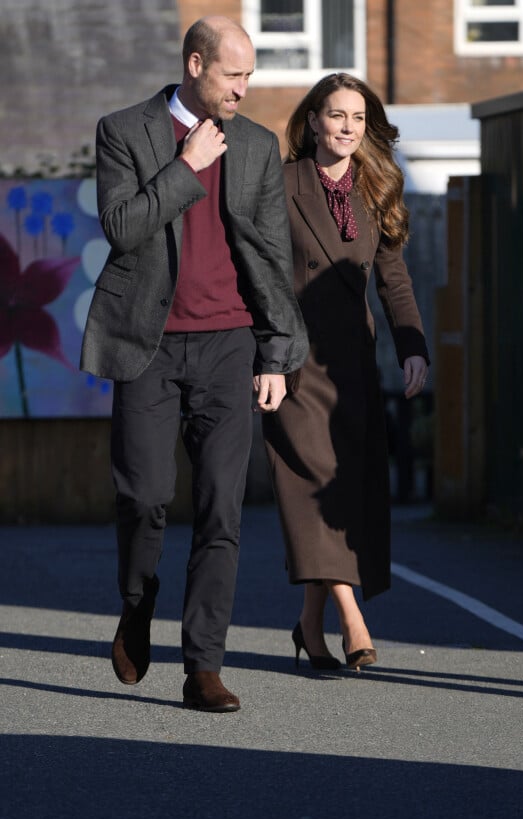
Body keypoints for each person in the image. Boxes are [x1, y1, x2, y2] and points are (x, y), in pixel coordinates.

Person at [80, 16, 308, 712]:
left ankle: (204, 665)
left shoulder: (259, 145)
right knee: (144, 498)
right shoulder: (125, 131)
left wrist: (275, 351)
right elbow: (121, 228)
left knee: (221, 510)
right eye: (233, 76)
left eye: (248, 78)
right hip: (148, 345)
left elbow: (271, 255)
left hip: (229, 344)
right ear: (196, 63)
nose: (243, 89)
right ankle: (136, 604)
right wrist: (187, 168)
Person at [262, 73, 429, 671]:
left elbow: (394, 280)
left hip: (351, 361)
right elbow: (260, 276)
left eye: (357, 119)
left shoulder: (377, 187)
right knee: (312, 480)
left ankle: (310, 625)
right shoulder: (280, 185)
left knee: (340, 489)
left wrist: (412, 346)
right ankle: (351, 615)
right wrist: (267, 355)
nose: (346, 128)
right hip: (293, 360)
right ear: (312, 122)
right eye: (336, 116)